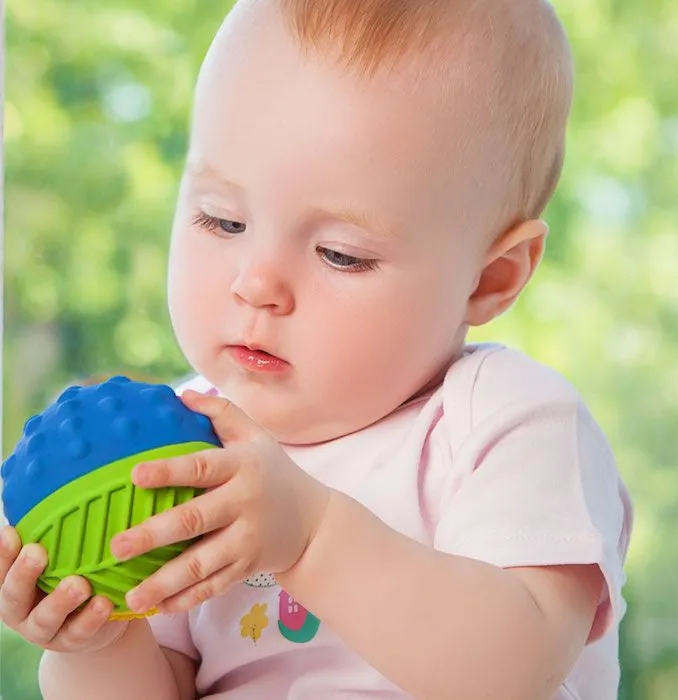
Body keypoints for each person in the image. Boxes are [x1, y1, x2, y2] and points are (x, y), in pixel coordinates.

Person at [0, 0, 634, 698]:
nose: (258, 283)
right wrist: (98, 637)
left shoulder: (508, 423)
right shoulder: (184, 448)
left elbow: (516, 668)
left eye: (340, 254)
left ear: (491, 277)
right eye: (223, 219)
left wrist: (313, 537)